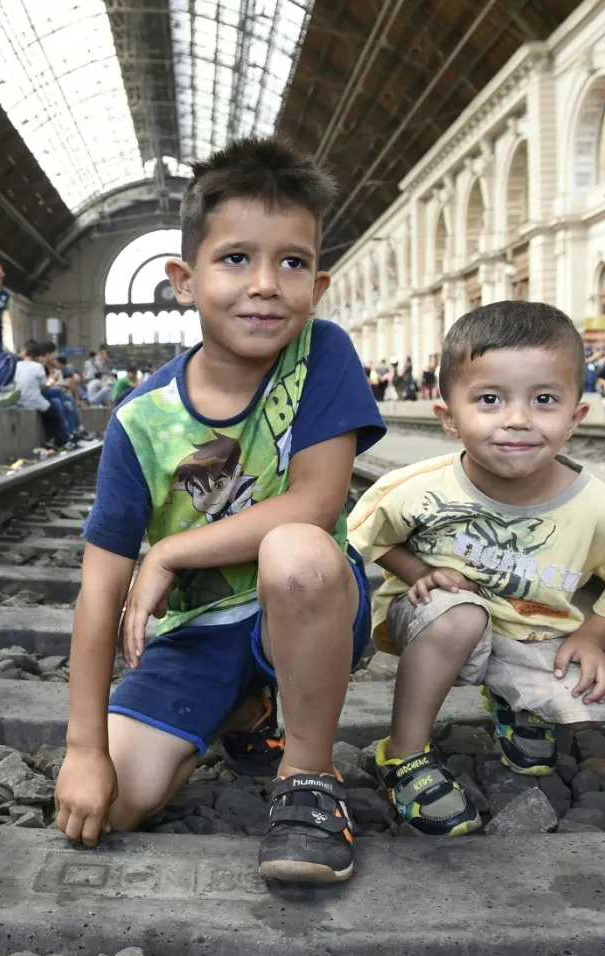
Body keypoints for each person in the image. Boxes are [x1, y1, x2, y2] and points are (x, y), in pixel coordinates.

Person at [54, 137, 385, 886]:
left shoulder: (321, 355)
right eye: (236, 258)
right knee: (115, 804)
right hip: (199, 634)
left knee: (297, 551)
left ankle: (306, 779)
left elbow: (316, 500)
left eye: (292, 262)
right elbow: (99, 591)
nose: (266, 284)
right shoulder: (141, 421)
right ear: (183, 279)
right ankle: (244, 709)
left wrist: (168, 554)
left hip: (301, 605)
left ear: (318, 284)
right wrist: (84, 750)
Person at [347, 302, 605, 837]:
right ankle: (402, 754)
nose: (518, 419)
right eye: (490, 399)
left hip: (531, 628)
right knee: (460, 617)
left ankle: (512, 701)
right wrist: (416, 572)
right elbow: (367, 537)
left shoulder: (598, 505)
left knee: (584, 694)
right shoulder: (417, 488)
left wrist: (594, 639)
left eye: (544, 400)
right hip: (436, 617)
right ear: (449, 417)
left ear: (575, 417)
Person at [15, 340, 71, 447]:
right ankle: (62, 439)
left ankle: (62, 437)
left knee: (56, 400)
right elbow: (43, 386)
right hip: (32, 398)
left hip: (18, 397)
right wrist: (53, 380)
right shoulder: (38, 367)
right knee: (55, 411)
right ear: (37, 356)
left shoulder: (17, 365)